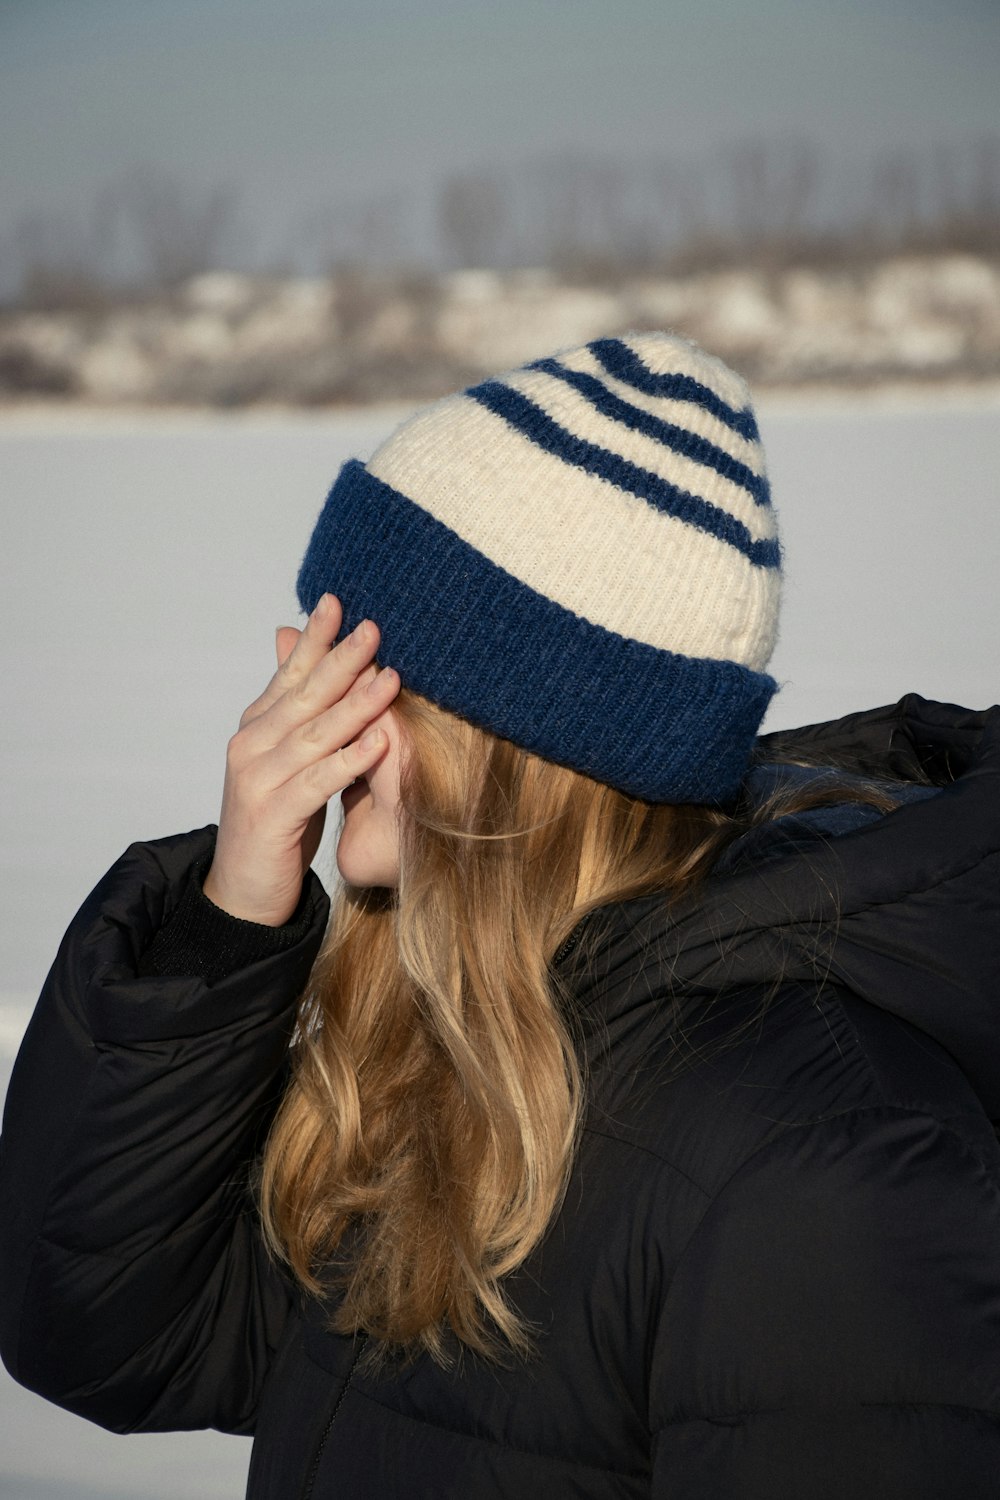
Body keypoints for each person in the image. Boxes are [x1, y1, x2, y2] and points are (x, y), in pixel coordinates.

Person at [1, 331, 999, 1500]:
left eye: (355, 658)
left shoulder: (820, 1171)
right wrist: (227, 922)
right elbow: (112, 1331)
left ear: (511, 739)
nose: (292, 679)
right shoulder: (465, 1046)